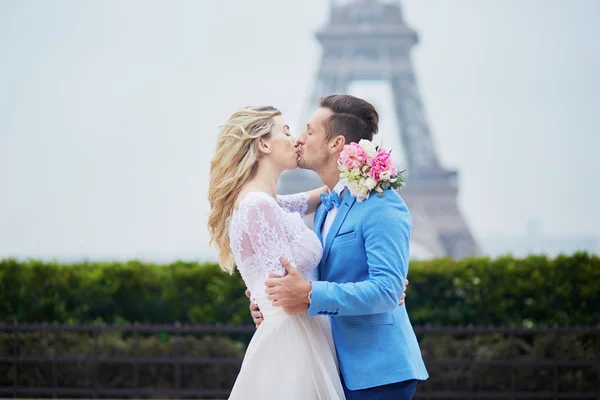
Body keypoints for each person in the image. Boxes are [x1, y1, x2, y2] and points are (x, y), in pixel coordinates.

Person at [250, 95, 429, 400]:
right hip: (331, 363)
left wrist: (308, 294)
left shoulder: (382, 205)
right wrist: (273, 300)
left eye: (309, 131)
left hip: (377, 372)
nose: (300, 139)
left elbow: (387, 290)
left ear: (336, 144)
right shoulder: (327, 205)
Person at [208, 106, 346, 399]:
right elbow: (285, 290)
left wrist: (354, 172)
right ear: (263, 144)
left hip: (296, 332)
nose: (295, 139)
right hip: (294, 339)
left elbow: (314, 198)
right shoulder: (259, 205)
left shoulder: (265, 202)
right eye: (285, 131)